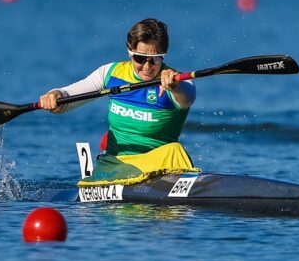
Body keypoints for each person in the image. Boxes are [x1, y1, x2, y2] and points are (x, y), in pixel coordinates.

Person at [39, 18, 200, 186]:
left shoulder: (178, 80)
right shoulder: (111, 73)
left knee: (174, 150)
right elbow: (67, 97)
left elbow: (188, 98)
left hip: (162, 164)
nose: (147, 66)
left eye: (155, 59)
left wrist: (175, 87)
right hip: (117, 164)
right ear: (130, 52)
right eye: (140, 58)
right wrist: (54, 95)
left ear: (163, 56)